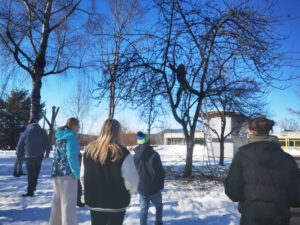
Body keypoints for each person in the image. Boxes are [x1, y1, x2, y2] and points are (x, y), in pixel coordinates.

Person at [225, 117, 300, 225]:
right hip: (279, 218)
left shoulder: (241, 157)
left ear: (253, 132)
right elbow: (296, 198)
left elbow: (233, 193)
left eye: (249, 131)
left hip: (251, 217)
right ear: (269, 131)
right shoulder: (288, 159)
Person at [81, 119, 139, 225]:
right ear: (118, 132)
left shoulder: (89, 152)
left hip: (95, 201)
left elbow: (83, 177)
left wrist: (91, 189)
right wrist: (128, 192)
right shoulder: (123, 153)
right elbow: (132, 181)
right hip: (117, 203)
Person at [49, 118, 81, 225]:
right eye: (78, 125)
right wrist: (77, 173)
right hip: (68, 173)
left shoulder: (60, 137)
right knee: (68, 204)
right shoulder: (72, 137)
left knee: (57, 203)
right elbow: (71, 156)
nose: (79, 127)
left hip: (56, 173)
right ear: (73, 126)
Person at [133, 131, 165, 225]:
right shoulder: (155, 155)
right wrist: (160, 185)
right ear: (148, 142)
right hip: (155, 188)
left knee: (143, 210)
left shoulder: (135, 157)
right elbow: (161, 172)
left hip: (142, 188)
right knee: (159, 207)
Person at [16, 118, 51, 197]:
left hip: (29, 155)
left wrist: (19, 154)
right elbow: (47, 143)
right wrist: (47, 153)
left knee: (30, 173)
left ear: (29, 123)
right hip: (39, 155)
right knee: (36, 171)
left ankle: (30, 191)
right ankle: (33, 186)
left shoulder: (26, 132)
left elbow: (20, 144)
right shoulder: (42, 131)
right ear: (36, 123)